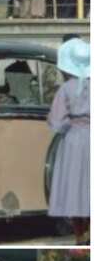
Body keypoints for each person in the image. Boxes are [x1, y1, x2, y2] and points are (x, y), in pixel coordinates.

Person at [47, 38, 90, 243]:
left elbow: (57, 121)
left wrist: (68, 126)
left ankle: (80, 233)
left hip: (74, 138)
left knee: (74, 183)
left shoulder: (66, 89)